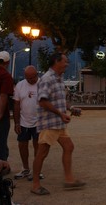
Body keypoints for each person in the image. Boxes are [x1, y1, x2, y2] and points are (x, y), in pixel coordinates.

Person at [31, 52, 84, 196]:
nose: (67, 64)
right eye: (65, 61)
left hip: (58, 122)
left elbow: (59, 100)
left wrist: (71, 109)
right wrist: (60, 114)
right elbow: (43, 101)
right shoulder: (47, 79)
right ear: (56, 62)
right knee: (42, 153)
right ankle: (35, 185)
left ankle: (69, 180)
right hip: (49, 123)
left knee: (69, 147)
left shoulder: (59, 79)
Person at [13, 65, 44, 180]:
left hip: (39, 122)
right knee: (22, 145)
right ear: (25, 77)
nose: (31, 80)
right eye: (28, 78)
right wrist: (16, 123)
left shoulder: (42, 85)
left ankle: (37, 170)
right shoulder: (20, 85)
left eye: (33, 77)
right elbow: (16, 104)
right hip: (23, 121)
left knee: (38, 146)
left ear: (37, 74)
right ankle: (25, 168)